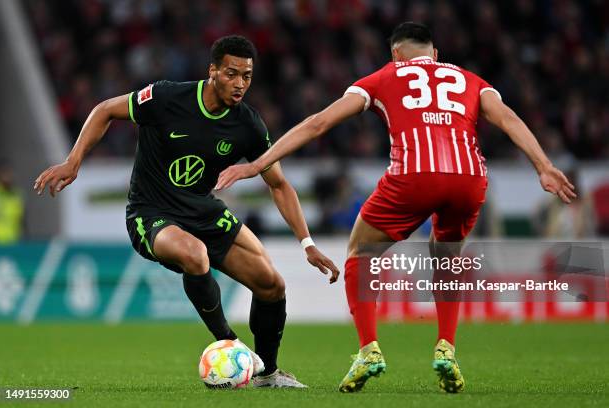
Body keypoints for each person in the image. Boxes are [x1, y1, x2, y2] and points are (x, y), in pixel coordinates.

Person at [216, 23, 576, 393]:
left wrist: (257, 164)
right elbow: (509, 119)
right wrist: (543, 166)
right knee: (447, 257)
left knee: (360, 250)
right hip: (469, 178)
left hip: (414, 175)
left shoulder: (385, 76)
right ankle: (447, 347)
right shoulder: (471, 80)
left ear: (395, 55)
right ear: (435, 55)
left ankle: (369, 348)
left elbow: (319, 123)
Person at [34, 35, 339, 388]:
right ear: (212, 71)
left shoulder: (248, 125)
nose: (240, 84)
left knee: (272, 285)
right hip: (150, 212)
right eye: (231, 73)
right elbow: (105, 110)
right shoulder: (166, 97)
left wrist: (307, 243)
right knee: (194, 255)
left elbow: (279, 185)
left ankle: (268, 374)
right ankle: (230, 342)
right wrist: (73, 162)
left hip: (202, 209)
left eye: (247, 76)